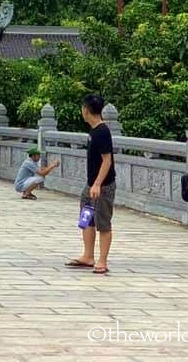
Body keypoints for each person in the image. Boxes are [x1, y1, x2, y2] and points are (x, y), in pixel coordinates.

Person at [65, 94, 116, 275]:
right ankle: (88, 255)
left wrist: (97, 184)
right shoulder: (93, 131)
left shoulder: (102, 132)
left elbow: (107, 161)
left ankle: (102, 260)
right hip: (90, 184)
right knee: (86, 217)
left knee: (103, 221)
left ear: (86, 110)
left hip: (102, 185)